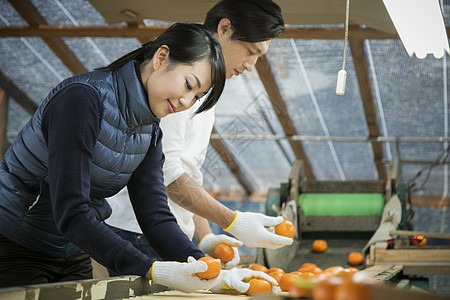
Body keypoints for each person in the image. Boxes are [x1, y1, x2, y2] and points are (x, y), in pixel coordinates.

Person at [0, 23, 276, 293]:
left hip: (72, 249)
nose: (186, 101)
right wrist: (151, 268)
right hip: (14, 244)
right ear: (161, 57)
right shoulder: (81, 100)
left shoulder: (150, 131)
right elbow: (72, 211)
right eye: (188, 84)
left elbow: (155, 215)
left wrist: (206, 267)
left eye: (197, 96)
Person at [105, 0, 293, 280]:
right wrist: (233, 221)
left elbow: (186, 171)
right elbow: (167, 175)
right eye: (251, 52)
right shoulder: (178, 84)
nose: (252, 66)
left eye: (259, 57)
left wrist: (204, 237)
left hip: (166, 231)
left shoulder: (205, 88)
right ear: (225, 28)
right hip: (137, 231)